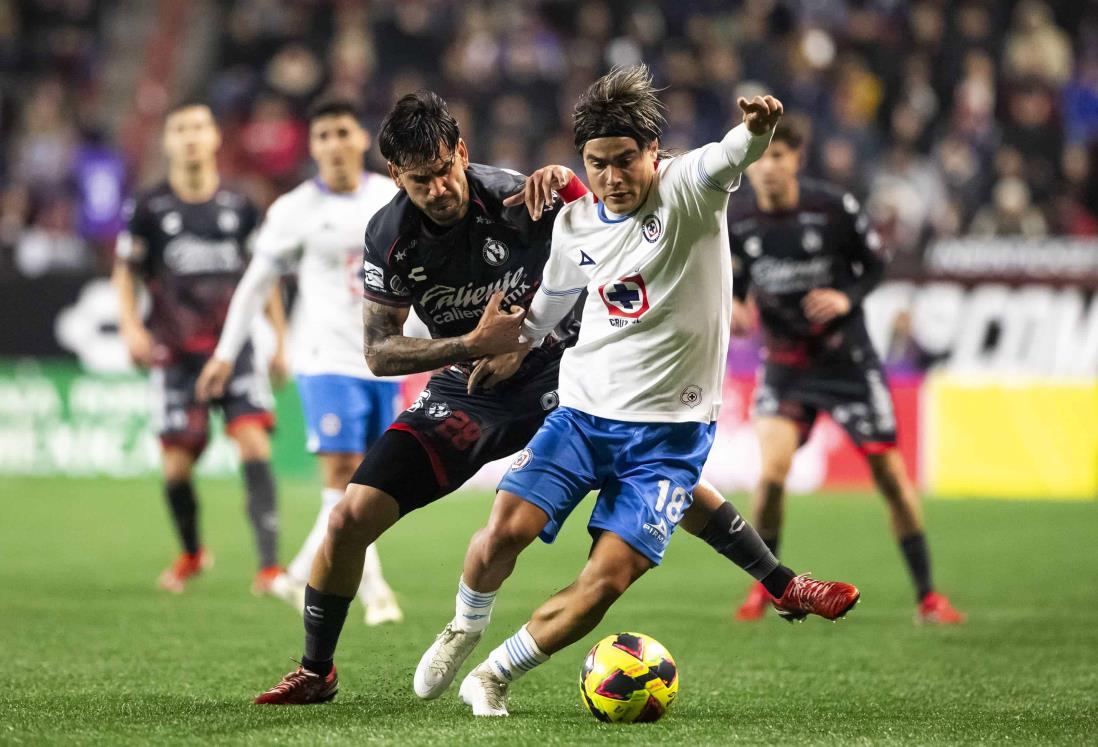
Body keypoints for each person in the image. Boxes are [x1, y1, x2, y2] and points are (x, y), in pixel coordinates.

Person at [254, 88, 852, 707]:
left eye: (443, 171)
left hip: (559, 381)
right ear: (395, 177)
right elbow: (379, 353)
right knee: (351, 517)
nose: (438, 189)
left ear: (461, 151)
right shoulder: (391, 238)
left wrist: (572, 179)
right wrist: (475, 343)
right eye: (419, 181)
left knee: (648, 462)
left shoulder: (524, 197)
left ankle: (776, 581)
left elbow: (617, 199)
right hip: (471, 391)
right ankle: (319, 668)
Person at [419, 66, 860, 718]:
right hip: (583, 415)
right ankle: (463, 625)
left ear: (655, 152)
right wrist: (515, 344)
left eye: (626, 160)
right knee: (501, 534)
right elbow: (548, 308)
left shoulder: (688, 189)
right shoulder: (574, 226)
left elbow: (725, 156)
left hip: (669, 435)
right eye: (598, 164)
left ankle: (493, 673)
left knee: (606, 581)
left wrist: (755, 132)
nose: (613, 177)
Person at [727, 121, 964, 625]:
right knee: (769, 477)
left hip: (847, 363)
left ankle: (927, 596)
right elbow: (740, 280)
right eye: (760, 159)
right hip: (786, 365)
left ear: (796, 159)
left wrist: (844, 297)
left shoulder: (832, 208)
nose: (767, 168)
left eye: (778, 157)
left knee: (891, 477)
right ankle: (768, 588)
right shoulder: (739, 218)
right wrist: (736, 305)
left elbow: (876, 265)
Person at [196, 97, 406, 625]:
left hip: (384, 359)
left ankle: (297, 576)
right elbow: (255, 285)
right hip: (324, 358)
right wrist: (225, 353)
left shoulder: (392, 199)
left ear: (363, 139)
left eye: (343, 132)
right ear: (311, 147)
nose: (334, 145)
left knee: (370, 486)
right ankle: (374, 591)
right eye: (323, 136)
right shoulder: (294, 210)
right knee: (342, 474)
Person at [112, 99, 287, 594]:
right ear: (169, 142)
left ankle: (269, 567)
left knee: (252, 443)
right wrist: (130, 327)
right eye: (180, 129)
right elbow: (124, 272)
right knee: (175, 468)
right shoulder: (148, 207)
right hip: (175, 351)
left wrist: (280, 341)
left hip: (235, 349)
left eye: (199, 128)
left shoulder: (241, 203)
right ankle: (192, 553)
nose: (190, 137)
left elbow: (266, 276)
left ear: (214, 139)